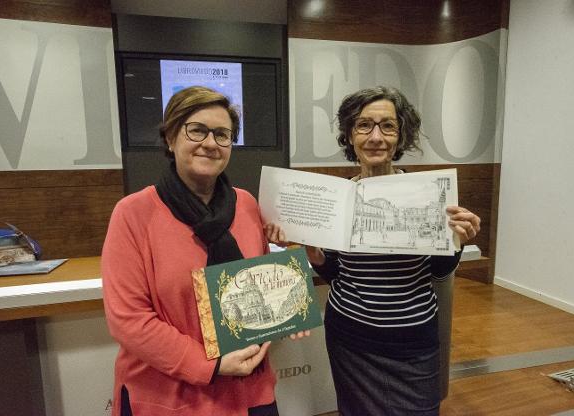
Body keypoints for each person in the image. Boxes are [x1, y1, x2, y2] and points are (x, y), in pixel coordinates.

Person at [102, 86, 302, 416]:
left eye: (222, 135)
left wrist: (290, 305)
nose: (210, 143)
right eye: (197, 130)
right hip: (169, 396)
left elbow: (259, 290)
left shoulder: (247, 205)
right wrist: (210, 364)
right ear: (170, 138)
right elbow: (129, 319)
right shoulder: (133, 213)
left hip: (249, 390)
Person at [306, 86, 481, 415]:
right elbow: (334, 272)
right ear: (350, 135)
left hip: (412, 339)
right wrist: (316, 257)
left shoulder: (427, 197)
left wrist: (458, 239)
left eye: (388, 126)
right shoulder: (337, 198)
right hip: (349, 337)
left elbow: (439, 272)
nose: (376, 136)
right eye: (364, 125)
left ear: (401, 137)